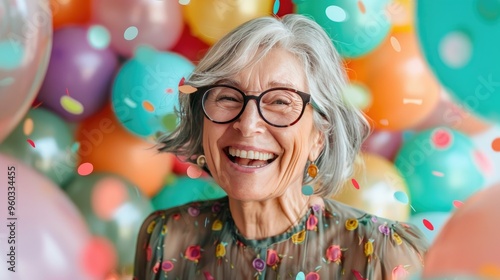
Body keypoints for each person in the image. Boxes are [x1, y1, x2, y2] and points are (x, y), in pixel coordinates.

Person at [134, 14, 428, 279]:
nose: (247, 124)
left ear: (319, 136)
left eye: (279, 102)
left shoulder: (382, 255)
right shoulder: (165, 237)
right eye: (227, 97)